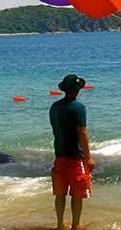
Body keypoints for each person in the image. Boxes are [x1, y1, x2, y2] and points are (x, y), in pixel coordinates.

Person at [49, 74, 94, 230]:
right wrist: (88, 157)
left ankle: (60, 224)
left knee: (60, 194)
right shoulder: (79, 108)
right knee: (77, 195)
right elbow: (82, 132)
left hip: (59, 155)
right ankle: (75, 225)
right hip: (75, 157)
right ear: (77, 90)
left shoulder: (54, 107)